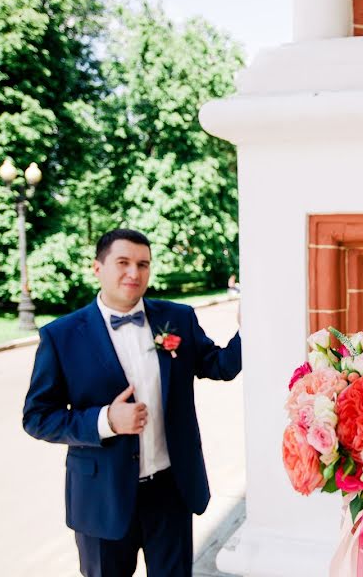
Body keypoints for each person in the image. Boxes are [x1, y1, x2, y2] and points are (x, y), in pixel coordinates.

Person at [22, 228, 242, 577]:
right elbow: (38, 417)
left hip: (171, 491)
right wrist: (106, 421)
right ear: (98, 268)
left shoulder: (177, 319)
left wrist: (249, 329)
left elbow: (220, 365)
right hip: (102, 499)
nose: (134, 273)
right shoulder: (61, 336)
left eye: (143, 264)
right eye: (122, 262)